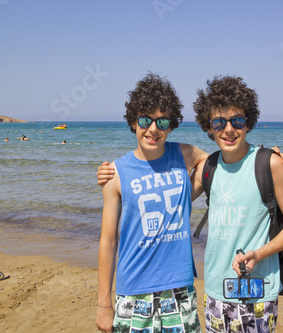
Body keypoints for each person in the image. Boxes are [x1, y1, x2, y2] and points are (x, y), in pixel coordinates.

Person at [191, 75, 283, 332]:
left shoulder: (270, 163)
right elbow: (171, 202)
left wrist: (260, 253)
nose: (229, 129)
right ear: (208, 126)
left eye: (237, 121)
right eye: (219, 122)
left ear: (248, 122)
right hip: (215, 291)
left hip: (258, 293)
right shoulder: (208, 168)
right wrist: (115, 176)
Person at [96, 73, 209, 333]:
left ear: (171, 125)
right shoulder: (115, 174)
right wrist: (103, 304)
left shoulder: (185, 154)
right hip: (133, 291)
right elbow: (108, 241)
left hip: (179, 289)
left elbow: (216, 161)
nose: (153, 129)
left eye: (162, 121)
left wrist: (273, 161)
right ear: (134, 122)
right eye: (145, 120)